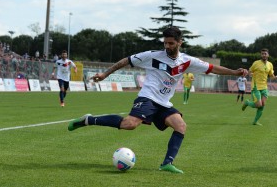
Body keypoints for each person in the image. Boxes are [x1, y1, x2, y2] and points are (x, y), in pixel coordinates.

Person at [68, 26, 248, 173]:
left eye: (171, 43)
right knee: (130, 124)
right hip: (148, 97)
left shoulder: (188, 61)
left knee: (181, 126)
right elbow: (126, 60)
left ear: (179, 42)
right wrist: (105, 74)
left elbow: (212, 68)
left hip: (163, 103)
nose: (168, 46)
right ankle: (88, 120)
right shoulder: (152, 56)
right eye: (165, 43)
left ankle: (166, 164)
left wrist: (234, 72)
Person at [242, 48, 277, 126]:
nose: (264, 55)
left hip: (264, 87)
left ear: (268, 55)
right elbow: (250, 71)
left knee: (263, 105)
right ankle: (247, 102)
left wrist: (275, 78)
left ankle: (255, 121)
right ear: (261, 55)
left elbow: (271, 76)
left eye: (265, 53)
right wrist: (250, 74)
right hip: (256, 87)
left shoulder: (270, 64)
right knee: (259, 105)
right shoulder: (256, 63)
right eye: (262, 54)